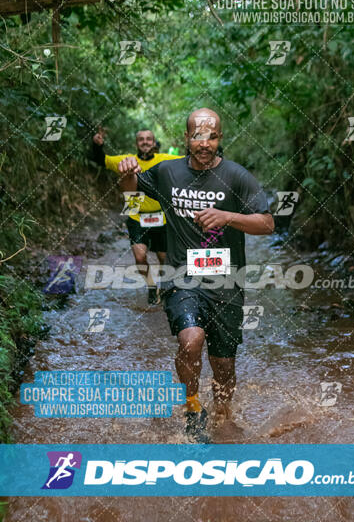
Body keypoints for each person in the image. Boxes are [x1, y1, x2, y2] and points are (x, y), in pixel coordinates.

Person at [117, 109, 274, 442]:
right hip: (181, 277)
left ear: (220, 138)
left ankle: (222, 414)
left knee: (223, 364)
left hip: (226, 281)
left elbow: (267, 223)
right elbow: (132, 195)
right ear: (185, 138)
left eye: (212, 136)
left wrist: (227, 216)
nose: (205, 143)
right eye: (198, 136)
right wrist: (127, 173)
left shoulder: (237, 176)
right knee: (191, 341)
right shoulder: (167, 172)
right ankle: (192, 407)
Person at [91, 127, 182, 304]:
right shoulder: (126, 160)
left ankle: (164, 284)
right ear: (136, 143)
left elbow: (189, 161)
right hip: (136, 216)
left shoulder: (165, 159)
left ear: (154, 142)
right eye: (141, 139)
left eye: (149, 139)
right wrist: (97, 146)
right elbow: (100, 160)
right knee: (140, 257)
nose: (145, 142)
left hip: (161, 217)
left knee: (164, 257)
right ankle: (150, 286)